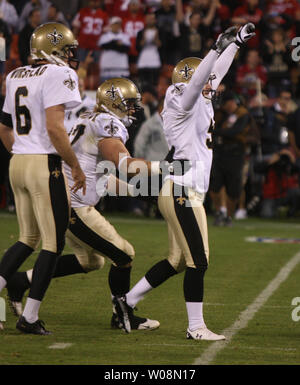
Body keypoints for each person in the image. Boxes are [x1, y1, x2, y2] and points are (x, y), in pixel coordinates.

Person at [112, 24, 256, 340]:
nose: (211, 87)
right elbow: (198, 84)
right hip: (180, 189)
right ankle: (195, 327)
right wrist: (216, 48)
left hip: (187, 189)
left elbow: (212, 76)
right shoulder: (179, 96)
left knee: (178, 260)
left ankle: (126, 302)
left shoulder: (201, 95)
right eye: (204, 81)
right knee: (198, 261)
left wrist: (236, 45)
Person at [6, 77, 163, 332]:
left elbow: (98, 178)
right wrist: (166, 169)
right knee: (124, 255)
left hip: (68, 199)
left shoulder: (90, 118)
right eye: (130, 104)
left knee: (91, 261)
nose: (134, 109)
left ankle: (20, 281)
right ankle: (122, 316)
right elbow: (126, 166)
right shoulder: (107, 124)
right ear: (115, 103)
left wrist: (141, 192)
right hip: (74, 207)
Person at [0, 22, 86, 335]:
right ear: (52, 50)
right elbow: (54, 127)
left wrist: (23, 153)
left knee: (27, 239)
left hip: (18, 161)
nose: (71, 55)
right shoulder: (58, 73)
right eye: (66, 49)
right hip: (42, 163)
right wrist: (74, 164)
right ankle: (31, 317)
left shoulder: (15, 74)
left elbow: (4, 128)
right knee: (52, 242)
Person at [209, 90, 252, 227]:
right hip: (219, 153)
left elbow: (235, 132)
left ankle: (228, 216)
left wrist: (215, 132)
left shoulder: (243, 114)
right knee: (215, 185)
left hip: (235, 154)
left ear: (232, 102)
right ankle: (219, 212)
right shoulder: (221, 114)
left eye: (226, 104)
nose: (224, 106)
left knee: (233, 189)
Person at [98, 16, 131, 82]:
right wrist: (116, 43)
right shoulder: (105, 36)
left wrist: (112, 44)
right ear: (111, 25)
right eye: (115, 24)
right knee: (106, 91)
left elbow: (126, 49)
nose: (116, 26)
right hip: (107, 70)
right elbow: (103, 46)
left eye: (118, 24)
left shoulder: (125, 36)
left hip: (121, 70)